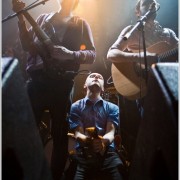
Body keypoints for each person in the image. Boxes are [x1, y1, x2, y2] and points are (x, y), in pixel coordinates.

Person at [12, 0, 96, 180]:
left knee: (59, 135)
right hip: (37, 82)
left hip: (62, 85)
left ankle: (56, 176)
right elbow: (28, 47)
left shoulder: (81, 23)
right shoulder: (43, 18)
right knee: (25, 131)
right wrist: (21, 17)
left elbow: (92, 54)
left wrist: (70, 54)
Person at [107, 0, 178, 163]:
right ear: (138, 12)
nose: (152, 4)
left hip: (170, 88)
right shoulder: (132, 31)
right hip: (146, 90)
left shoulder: (168, 34)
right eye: (146, 3)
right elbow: (111, 53)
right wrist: (139, 57)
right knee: (154, 134)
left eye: (154, 2)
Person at [68, 73, 124, 180]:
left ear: (103, 88)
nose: (96, 77)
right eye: (92, 76)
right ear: (85, 85)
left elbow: (111, 133)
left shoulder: (113, 108)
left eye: (100, 77)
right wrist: (89, 142)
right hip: (83, 155)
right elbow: (78, 133)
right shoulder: (75, 107)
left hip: (109, 155)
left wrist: (102, 143)